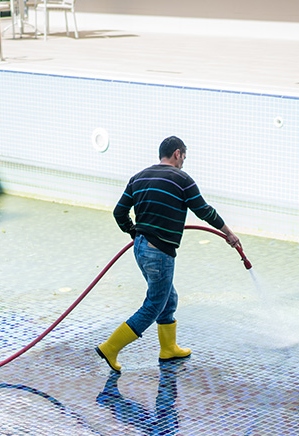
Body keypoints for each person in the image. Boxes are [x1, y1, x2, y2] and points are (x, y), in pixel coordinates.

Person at [95, 136, 241, 372]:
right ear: (177, 153)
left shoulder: (139, 177)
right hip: (159, 251)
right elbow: (204, 211)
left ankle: (168, 349)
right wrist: (229, 233)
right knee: (154, 304)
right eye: (184, 156)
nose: (184, 161)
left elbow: (119, 212)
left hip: (140, 248)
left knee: (167, 297)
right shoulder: (182, 179)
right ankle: (110, 347)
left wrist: (133, 232)